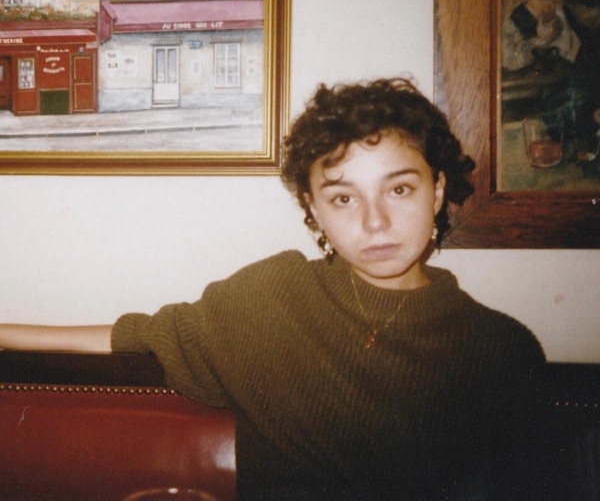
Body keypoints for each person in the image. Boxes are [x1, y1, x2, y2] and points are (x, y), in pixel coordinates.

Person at [0, 78, 546, 500]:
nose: (375, 221)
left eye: (399, 189)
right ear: (314, 210)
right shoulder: (272, 298)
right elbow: (136, 334)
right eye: (343, 198)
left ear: (437, 191)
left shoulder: (502, 351)